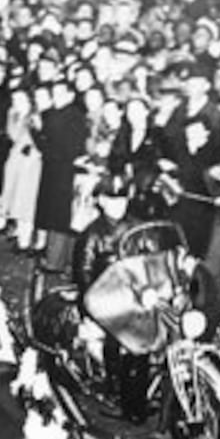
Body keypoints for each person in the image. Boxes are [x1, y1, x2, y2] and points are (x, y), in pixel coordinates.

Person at [71, 175, 149, 423]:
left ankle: (140, 391)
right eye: (113, 200)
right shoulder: (91, 235)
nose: (119, 205)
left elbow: (150, 258)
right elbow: (83, 275)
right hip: (105, 300)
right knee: (121, 342)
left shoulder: (137, 228)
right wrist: (96, 306)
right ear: (102, 201)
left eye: (123, 199)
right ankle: (116, 393)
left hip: (135, 297)